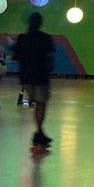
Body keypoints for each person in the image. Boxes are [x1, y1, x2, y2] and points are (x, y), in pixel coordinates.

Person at [12, 12, 55, 148]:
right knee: (41, 104)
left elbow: (15, 56)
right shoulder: (46, 38)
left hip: (26, 77)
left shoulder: (22, 38)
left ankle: (39, 132)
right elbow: (49, 58)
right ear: (40, 23)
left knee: (36, 103)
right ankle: (38, 131)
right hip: (41, 76)